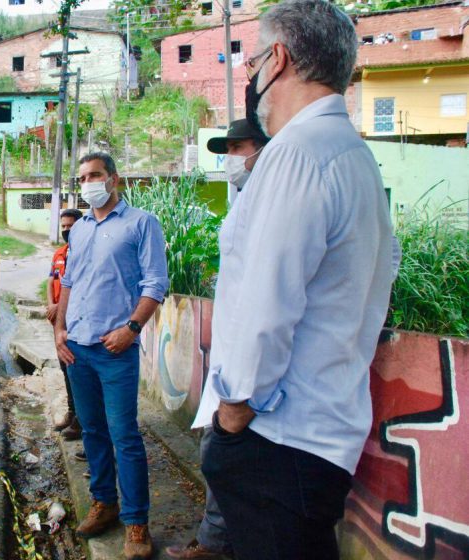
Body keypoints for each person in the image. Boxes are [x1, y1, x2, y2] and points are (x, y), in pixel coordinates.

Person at [192, 2, 399, 559]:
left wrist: (233, 411)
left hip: (277, 441)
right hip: (316, 439)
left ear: (277, 59)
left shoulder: (297, 155)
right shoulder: (353, 156)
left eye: (255, 60)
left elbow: (266, 305)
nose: (253, 75)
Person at [55, 153, 169, 560]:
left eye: (96, 175)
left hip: (115, 348)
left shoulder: (141, 223)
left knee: (125, 435)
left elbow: (155, 282)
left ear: (114, 179)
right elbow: (69, 281)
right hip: (78, 348)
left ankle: (137, 522)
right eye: (83, 177)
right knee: (92, 431)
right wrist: (59, 330)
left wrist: (132, 328)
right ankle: (104, 502)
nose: (89, 183)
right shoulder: (81, 228)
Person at [165, 119, 268, 560]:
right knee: (219, 460)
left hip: (249, 377)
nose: (230, 158)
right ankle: (214, 542)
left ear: (265, 147)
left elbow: (268, 299)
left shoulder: (275, 204)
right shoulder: (247, 201)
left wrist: (239, 389)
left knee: (221, 459)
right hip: (230, 369)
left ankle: (214, 546)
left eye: (237, 146)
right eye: (224, 148)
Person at [47, 208, 83, 440]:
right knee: (65, 368)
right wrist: (51, 305)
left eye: (71, 226)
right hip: (58, 321)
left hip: (76, 321)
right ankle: (72, 413)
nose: (66, 230)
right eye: (64, 227)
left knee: (77, 369)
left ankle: (81, 420)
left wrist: (59, 309)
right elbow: (51, 280)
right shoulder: (60, 253)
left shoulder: (84, 253)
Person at [208, 118, 269, 207]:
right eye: (227, 150)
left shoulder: (278, 193)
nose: (229, 155)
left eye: (236, 147)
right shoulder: (246, 199)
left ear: (262, 149)